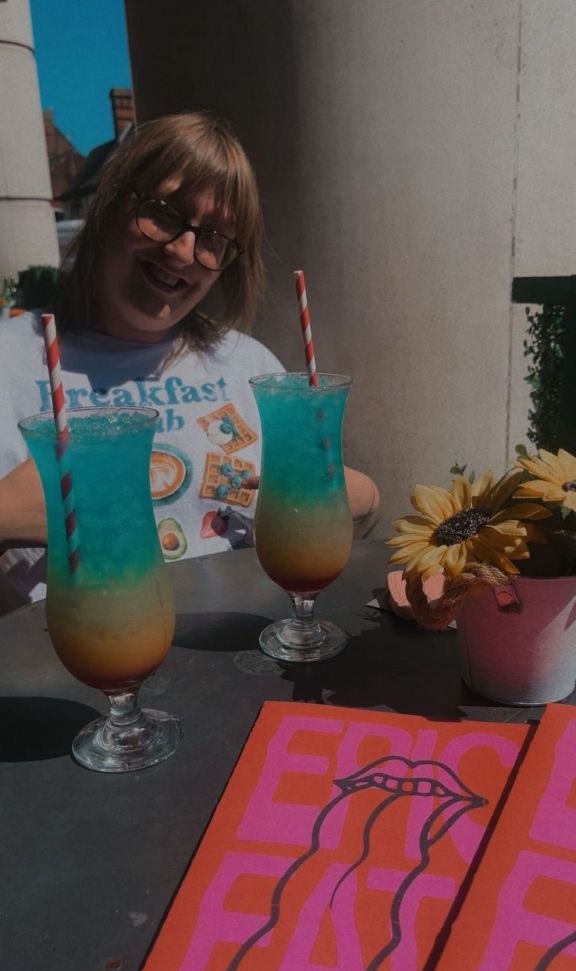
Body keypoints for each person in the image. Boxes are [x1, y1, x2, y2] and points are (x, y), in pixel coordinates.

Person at [0, 112, 379, 610]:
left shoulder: (249, 364)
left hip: (244, 640)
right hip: (68, 648)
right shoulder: (11, 360)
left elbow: (335, 511)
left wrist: (356, 500)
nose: (182, 251)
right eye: (163, 213)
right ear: (110, 203)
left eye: (214, 238)